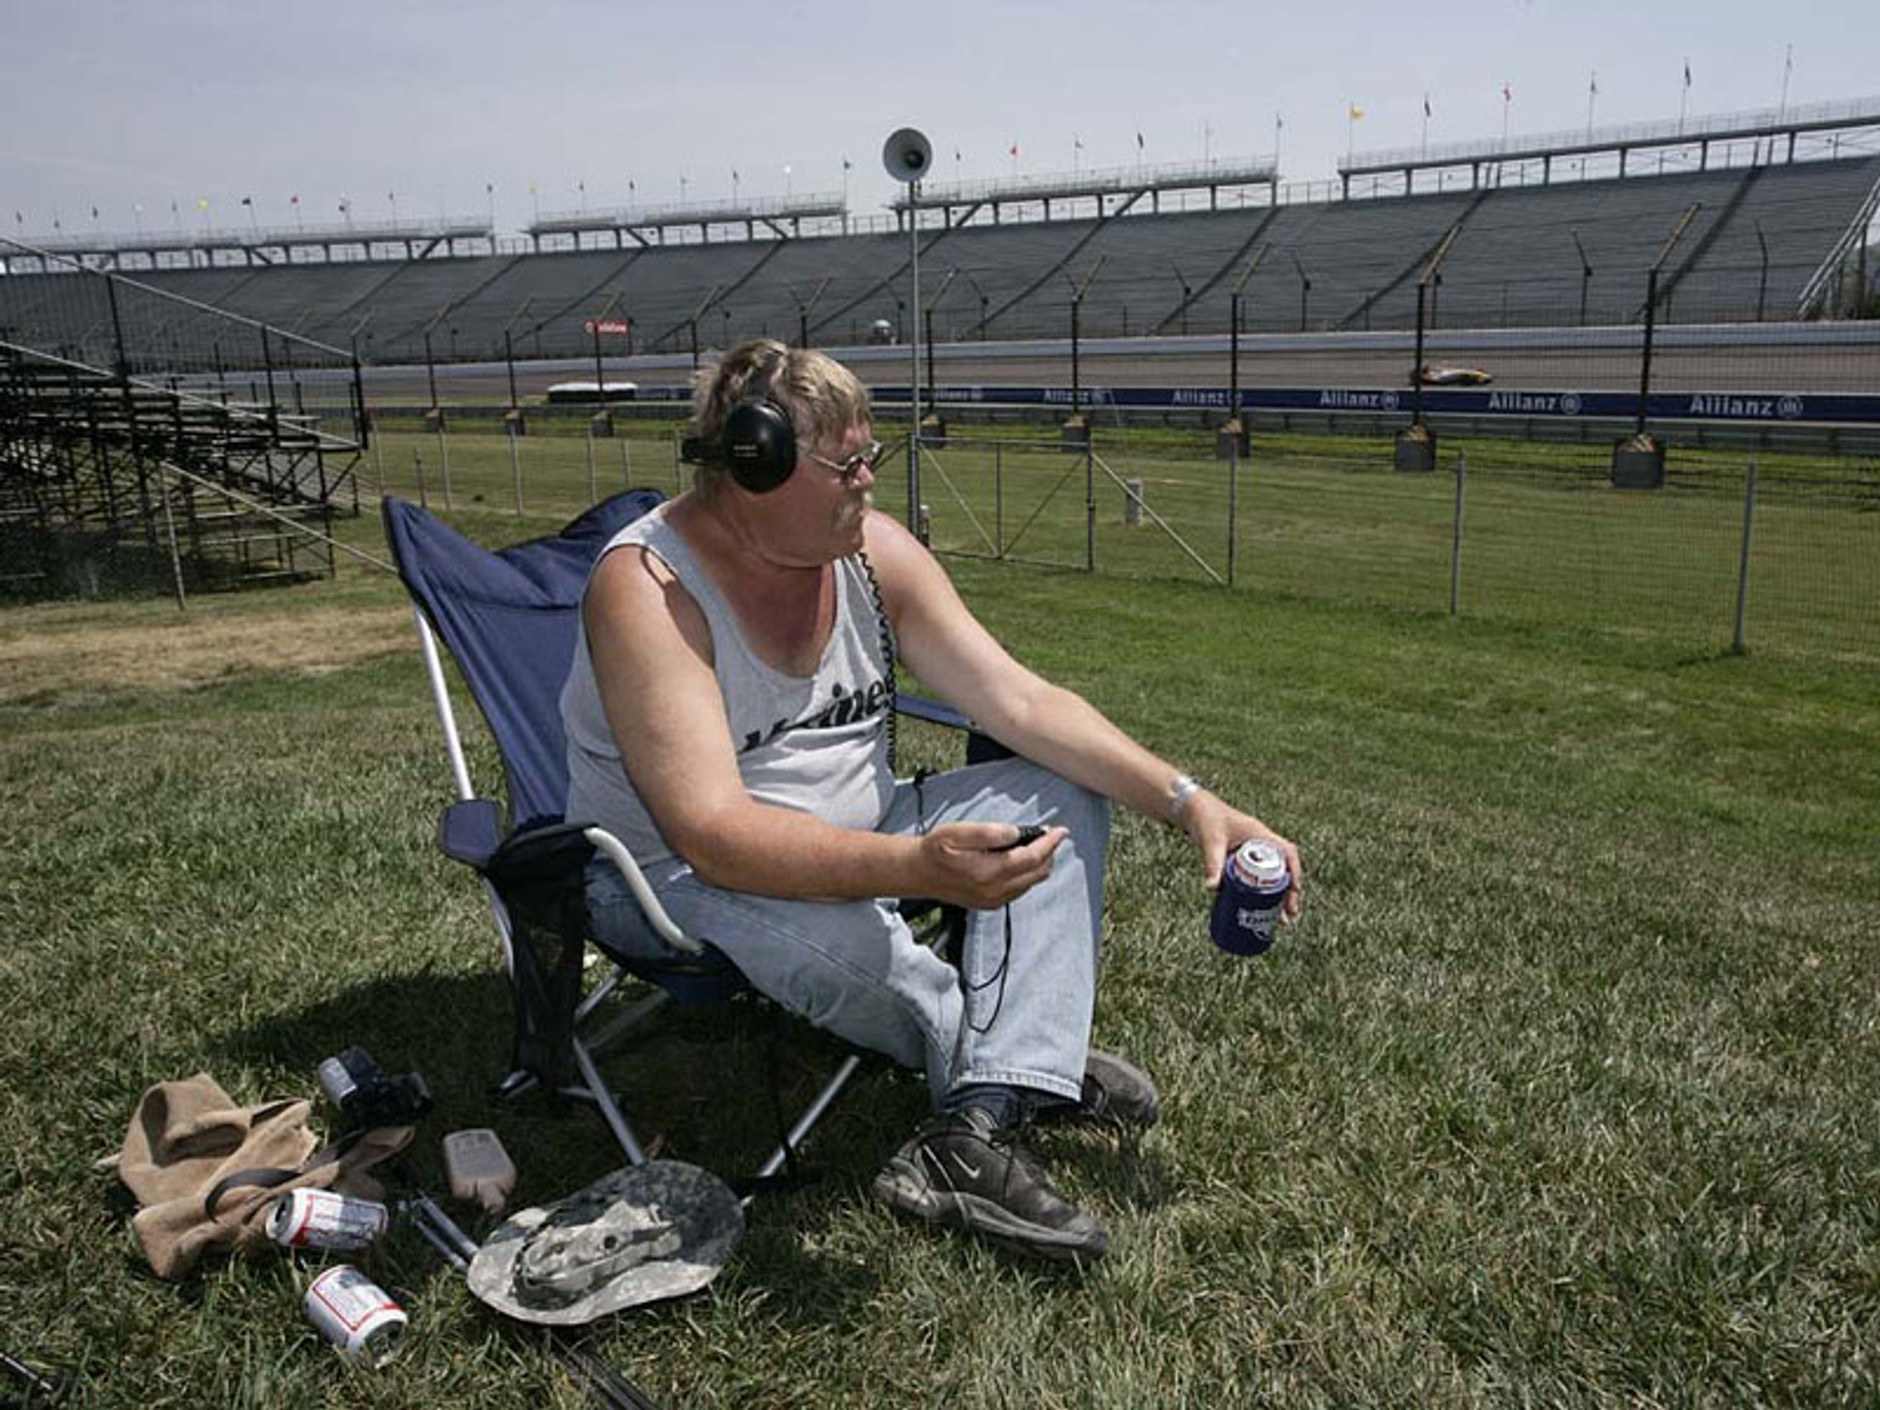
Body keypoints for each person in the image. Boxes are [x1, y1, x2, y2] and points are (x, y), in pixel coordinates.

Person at [560, 340, 1301, 1264]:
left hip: (856, 829)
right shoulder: (650, 591)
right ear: (754, 468)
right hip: (670, 878)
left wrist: (1190, 801)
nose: (869, 482)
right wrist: (917, 869)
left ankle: (979, 1115)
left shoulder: (871, 554)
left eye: (873, 456)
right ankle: (1024, 1078)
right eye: (846, 466)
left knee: (1056, 789)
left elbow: (1020, 702)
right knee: (843, 942)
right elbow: (713, 835)